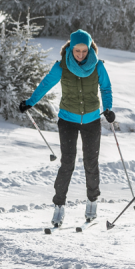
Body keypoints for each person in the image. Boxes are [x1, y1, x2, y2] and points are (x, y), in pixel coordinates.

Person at [20, 29, 114, 228]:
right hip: (67, 121)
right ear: (70, 48)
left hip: (91, 121)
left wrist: (108, 109)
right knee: (67, 164)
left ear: (89, 49)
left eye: (84, 51)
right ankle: (59, 206)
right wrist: (30, 102)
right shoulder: (62, 66)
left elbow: (106, 88)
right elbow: (46, 84)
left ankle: (92, 201)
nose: (80, 54)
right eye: (77, 50)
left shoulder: (98, 66)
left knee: (91, 163)